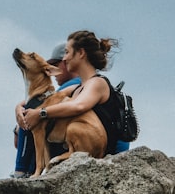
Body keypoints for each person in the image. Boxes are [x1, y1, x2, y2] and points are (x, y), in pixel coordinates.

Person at [19, 30, 123, 159]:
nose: (64, 58)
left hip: (98, 153)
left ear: (80, 53)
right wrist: (20, 108)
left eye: (67, 52)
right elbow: (45, 98)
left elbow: (78, 106)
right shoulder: (76, 88)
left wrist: (41, 113)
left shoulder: (97, 83)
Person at [10, 44, 82, 178]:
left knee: (33, 121)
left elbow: (39, 111)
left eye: (55, 63)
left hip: (75, 148)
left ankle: (21, 173)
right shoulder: (78, 86)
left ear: (67, 63)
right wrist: (20, 108)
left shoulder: (74, 84)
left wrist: (25, 117)